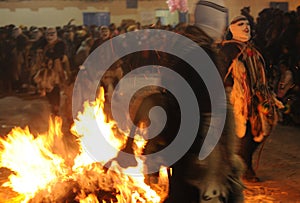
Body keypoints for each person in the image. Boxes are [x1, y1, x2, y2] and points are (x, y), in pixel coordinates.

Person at [220, 16, 283, 182]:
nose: (246, 27)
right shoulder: (227, 49)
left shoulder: (253, 48)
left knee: (260, 131)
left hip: (256, 97)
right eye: (241, 24)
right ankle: (245, 169)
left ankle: (241, 166)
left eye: (248, 24)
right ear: (233, 29)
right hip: (238, 100)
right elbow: (220, 74)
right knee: (245, 134)